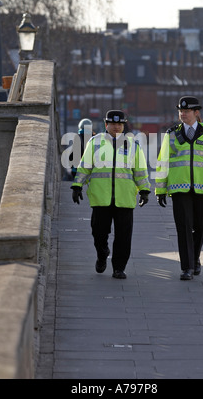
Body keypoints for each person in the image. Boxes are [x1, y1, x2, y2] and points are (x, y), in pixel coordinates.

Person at [155, 96, 203, 280]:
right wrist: (160, 190)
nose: (182, 114)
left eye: (186, 111)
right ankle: (187, 267)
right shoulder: (172, 134)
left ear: (197, 113)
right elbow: (163, 162)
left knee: (200, 226)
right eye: (180, 111)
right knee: (184, 227)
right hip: (179, 189)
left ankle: (195, 257)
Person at [71, 110, 151, 279]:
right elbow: (85, 166)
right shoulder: (95, 142)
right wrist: (77, 185)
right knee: (98, 232)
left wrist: (144, 190)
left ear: (124, 125)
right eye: (113, 124)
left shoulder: (133, 145)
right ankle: (102, 253)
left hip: (125, 197)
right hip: (101, 197)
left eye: (120, 124)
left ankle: (119, 268)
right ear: (106, 124)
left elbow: (140, 171)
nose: (116, 127)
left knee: (123, 236)